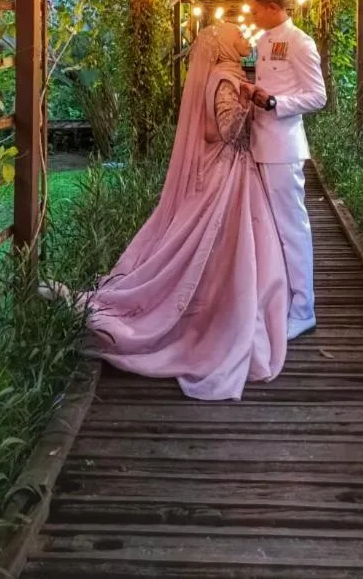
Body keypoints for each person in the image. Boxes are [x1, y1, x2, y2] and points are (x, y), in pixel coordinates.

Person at [65, 21, 288, 402]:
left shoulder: (223, 74)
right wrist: (249, 103)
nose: (244, 36)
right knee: (225, 247)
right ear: (222, 44)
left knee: (228, 246)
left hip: (227, 170)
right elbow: (225, 131)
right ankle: (219, 316)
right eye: (236, 32)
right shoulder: (225, 78)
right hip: (226, 174)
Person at [242, 0, 327, 341]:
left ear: (273, 7)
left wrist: (276, 102)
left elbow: (318, 96)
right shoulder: (263, 42)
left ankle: (304, 310)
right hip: (259, 144)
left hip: (283, 148)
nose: (252, 16)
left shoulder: (300, 42)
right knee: (271, 227)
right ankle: (280, 297)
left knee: (292, 229)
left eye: (254, 10)